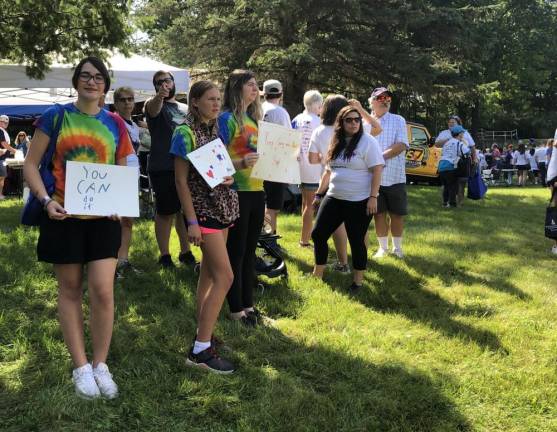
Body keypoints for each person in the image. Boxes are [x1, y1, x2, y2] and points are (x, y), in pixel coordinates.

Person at [23, 56, 134, 399]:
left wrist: (120, 202)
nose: (91, 81)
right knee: (69, 290)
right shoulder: (55, 117)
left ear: (105, 85)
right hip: (63, 216)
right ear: (76, 80)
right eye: (85, 76)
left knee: (103, 290)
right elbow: (29, 164)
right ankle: (81, 367)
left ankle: (101, 364)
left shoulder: (115, 123)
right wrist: (45, 201)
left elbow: (123, 170)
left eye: (98, 77)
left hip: (103, 222)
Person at [171, 80, 239, 373]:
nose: (216, 104)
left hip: (222, 208)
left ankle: (205, 332)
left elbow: (220, 168)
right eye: (210, 99)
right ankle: (200, 349)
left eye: (218, 99)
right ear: (195, 102)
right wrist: (191, 222)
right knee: (226, 276)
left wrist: (229, 176)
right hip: (203, 213)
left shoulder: (215, 129)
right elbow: (180, 181)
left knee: (210, 275)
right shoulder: (184, 133)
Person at [311, 106, 384, 292]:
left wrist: (373, 197)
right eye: (349, 120)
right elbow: (328, 171)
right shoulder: (336, 141)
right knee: (318, 234)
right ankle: (317, 274)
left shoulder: (368, 142)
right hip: (334, 197)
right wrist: (319, 194)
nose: (354, 123)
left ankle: (358, 282)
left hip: (359, 200)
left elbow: (377, 169)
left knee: (356, 240)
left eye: (357, 120)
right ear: (341, 123)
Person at [218, 69, 264, 326]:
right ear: (236, 88)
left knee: (249, 252)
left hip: (257, 191)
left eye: (256, 84)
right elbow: (216, 160)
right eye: (250, 84)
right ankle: (235, 307)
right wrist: (240, 162)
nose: (255, 88)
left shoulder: (254, 120)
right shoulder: (226, 119)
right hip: (236, 192)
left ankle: (248, 303)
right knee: (235, 251)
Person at [144, 70, 194, 268]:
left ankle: (186, 252)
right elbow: (154, 109)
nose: (164, 84)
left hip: (186, 165)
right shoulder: (152, 103)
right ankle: (164, 255)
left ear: (174, 82)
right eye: (159, 82)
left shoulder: (186, 108)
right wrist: (159, 96)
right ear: (155, 86)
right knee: (165, 212)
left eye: (167, 80)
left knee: (184, 211)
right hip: (163, 166)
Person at [308, 94, 350, 272]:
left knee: (335, 225)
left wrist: (324, 160)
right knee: (354, 224)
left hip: (329, 182)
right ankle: (352, 262)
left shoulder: (319, 131)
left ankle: (343, 263)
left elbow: (311, 159)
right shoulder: (350, 130)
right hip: (353, 180)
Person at [369, 87, 409, 259]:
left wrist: (379, 157)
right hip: (372, 178)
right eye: (380, 98)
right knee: (378, 214)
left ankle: (397, 248)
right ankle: (383, 248)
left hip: (394, 176)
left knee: (397, 214)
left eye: (387, 98)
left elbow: (401, 145)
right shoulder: (365, 121)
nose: (384, 100)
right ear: (371, 101)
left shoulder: (398, 119)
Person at [112, 86, 142, 278]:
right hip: (117, 174)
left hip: (133, 175)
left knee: (128, 221)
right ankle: (111, 262)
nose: (127, 103)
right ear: (116, 103)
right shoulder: (113, 121)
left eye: (130, 99)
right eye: (122, 100)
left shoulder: (134, 124)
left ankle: (123, 260)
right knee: (114, 221)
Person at [291, 90, 323, 247]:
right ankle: (304, 240)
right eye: (320, 105)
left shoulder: (297, 119)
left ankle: (305, 237)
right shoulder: (317, 121)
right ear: (316, 104)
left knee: (305, 204)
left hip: (300, 167)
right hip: (313, 168)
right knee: (310, 206)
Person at [261, 79, 291, 245]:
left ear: (264, 94)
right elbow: (288, 139)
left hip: (257, 162)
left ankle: (266, 237)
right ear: (280, 94)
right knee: (272, 205)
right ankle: (269, 240)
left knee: (264, 202)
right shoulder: (280, 112)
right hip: (275, 163)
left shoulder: (257, 108)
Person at [436, 125, 470, 207]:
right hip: (450, 166)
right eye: (462, 133)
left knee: (446, 186)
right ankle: (452, 203)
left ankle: (445, 203)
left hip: (441, 166)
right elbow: (467, 152)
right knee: (453, 186)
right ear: (459, 134)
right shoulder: (459, 143)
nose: (463, 134)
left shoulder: (447, 143)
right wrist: (465, 143)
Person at [0, 114, 16, 200]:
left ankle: (0, 194)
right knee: (1, 177)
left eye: (6, 123)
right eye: (3, 122)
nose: (5, 124)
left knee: (2, 177)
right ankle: (0, 195)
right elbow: (4, 144)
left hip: (3, 158)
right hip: (1, 158)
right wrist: (14, 151)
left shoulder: (2, 131)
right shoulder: (0, 131)